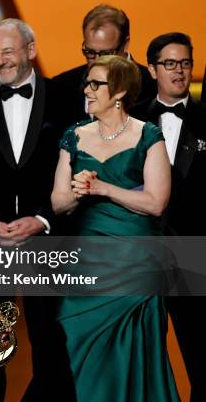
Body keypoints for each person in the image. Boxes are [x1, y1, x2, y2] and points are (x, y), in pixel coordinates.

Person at [51, 55, 179, 401]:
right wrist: (78, 193)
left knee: (135, 358)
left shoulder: (148, 136)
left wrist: (104, 188)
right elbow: (58, 203)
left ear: (120, 91)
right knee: (80, 351)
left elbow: (155, 202)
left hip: (136, 267)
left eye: (96, 84)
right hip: (87, 267)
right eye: (87, 83)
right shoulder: (73, 136)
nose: (87, 90)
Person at [0, 18, 74, 401]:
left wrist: (43, 218)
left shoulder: (66, 98)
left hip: (48, 238)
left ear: (30, 50)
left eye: (7, 51)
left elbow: (79, 167)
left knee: (50, 339)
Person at [132, 32, 206, 402]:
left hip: (194, 255)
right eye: (170, 63)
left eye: (186, 63)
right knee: (140, 357)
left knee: (199, 355)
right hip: (140, 254)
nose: (179, 71)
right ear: (151, 68)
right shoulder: (129, 120)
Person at [53, 4, 156, 124]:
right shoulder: (62, 85)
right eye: (90, 52)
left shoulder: (153, 86)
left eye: (106, 53)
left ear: (125, 44)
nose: (97, 61)